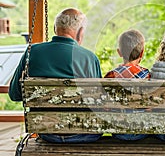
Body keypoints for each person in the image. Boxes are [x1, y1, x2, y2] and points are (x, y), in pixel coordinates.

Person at [9, 8, 102, 143]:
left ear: (54, 29)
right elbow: (98, 102)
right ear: (81, 32)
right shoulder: (89, 58)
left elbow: (15, 94)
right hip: (84, 133)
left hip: (47, 133)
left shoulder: (32, 52)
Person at [104, 29, 150, 140]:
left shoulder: (111, 76)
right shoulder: (148, 76)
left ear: (119, 52)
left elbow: (105, 108)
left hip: (118, 131)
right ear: (142, 52)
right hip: (142, 131)